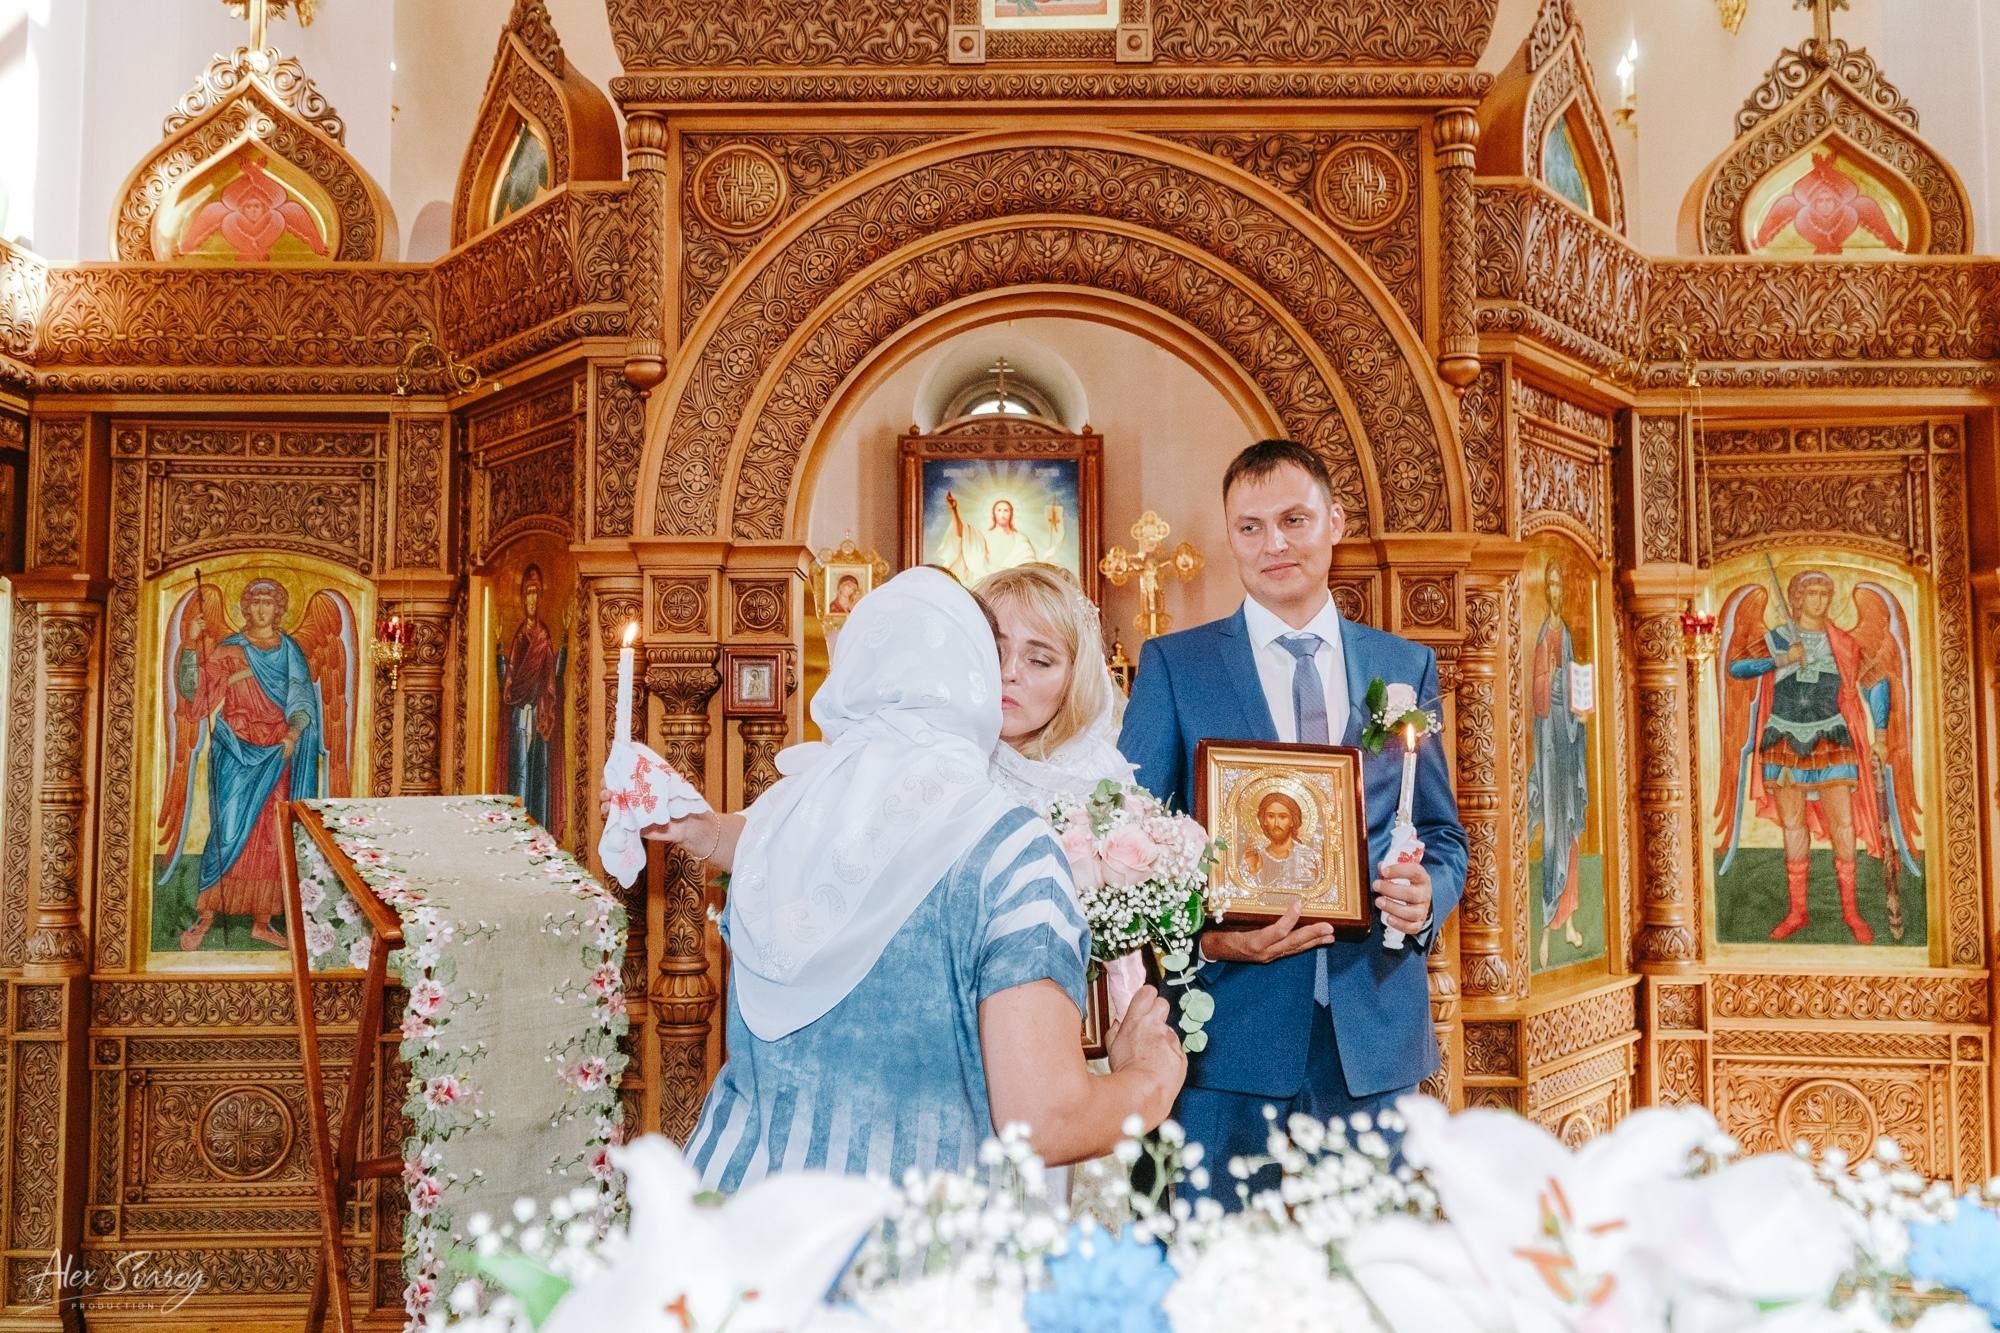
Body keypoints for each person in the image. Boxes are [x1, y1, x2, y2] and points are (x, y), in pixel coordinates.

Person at [631, 568, 1185, 1190]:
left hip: (740, 1199)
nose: (1008, 674)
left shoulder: (805, 806)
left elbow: (762, 842)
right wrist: (1150, 1079)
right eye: (993, 650)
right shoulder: (1010, 844)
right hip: (917, 1215)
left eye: (1038, 659)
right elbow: (1043, 1120)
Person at [1118, 439, 1467, 1207]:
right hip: (1228, 1038)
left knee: (1372, 1276)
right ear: (1230, 536)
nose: (1273, 544)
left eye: (1293, 519)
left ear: (1334, 521)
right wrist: (1209, 938)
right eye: (1250, 527)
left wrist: (1427, 894)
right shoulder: (1177, 668)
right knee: (1219, 1275)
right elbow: (1128, 850)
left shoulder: (1402, 667)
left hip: (1375, 1032)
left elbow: (1443, 834)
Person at [1528, 557, 1588, 968]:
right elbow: (1538, 694)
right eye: (1548, 584)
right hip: (1550, 744)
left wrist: (1580, 705)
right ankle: (1548, 919)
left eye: (1559, 585)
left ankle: (1568, 917)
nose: (1555, 592)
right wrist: (1552, 682)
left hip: (1569, 741)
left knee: (1569, 826)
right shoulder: (1542, 635)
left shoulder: (1563, 630)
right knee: (1553, 827)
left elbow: (1570, 681)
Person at [496, 564, 569, 841]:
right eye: (527, 594)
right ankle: (515, 831)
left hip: (539, 717)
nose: (531, 600)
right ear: (521, 598)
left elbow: (554, 676)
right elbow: (508, 683)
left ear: (540, 599)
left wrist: (563, 641)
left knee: (537, 773)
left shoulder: (543, 636)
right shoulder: (518, 638)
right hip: (518, 719)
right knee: (519, 773)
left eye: (535, 594)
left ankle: (538, 830)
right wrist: (498, 650)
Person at [1242, 791, 1322, 890]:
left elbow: (1312, 893)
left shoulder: (1307, 856)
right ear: (1264, 820)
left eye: (1282, 817)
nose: (1276, 823)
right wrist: (1253, 872)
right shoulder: (1255, 855)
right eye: (1271, 816)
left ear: (1292, 821)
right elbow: (1244, 894)